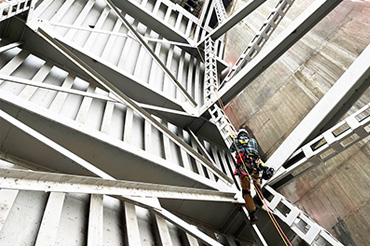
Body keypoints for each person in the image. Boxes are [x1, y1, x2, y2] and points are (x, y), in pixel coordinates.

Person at [229, 129, 274, 223]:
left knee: (246, 191)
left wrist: (235, 140)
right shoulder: (253, 141)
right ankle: (259, 193)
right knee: (257, 181)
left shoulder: (236, 141)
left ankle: (252, 214)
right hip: (254, 165)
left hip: (243, 167)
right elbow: (256, 155)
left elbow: (231, 150)